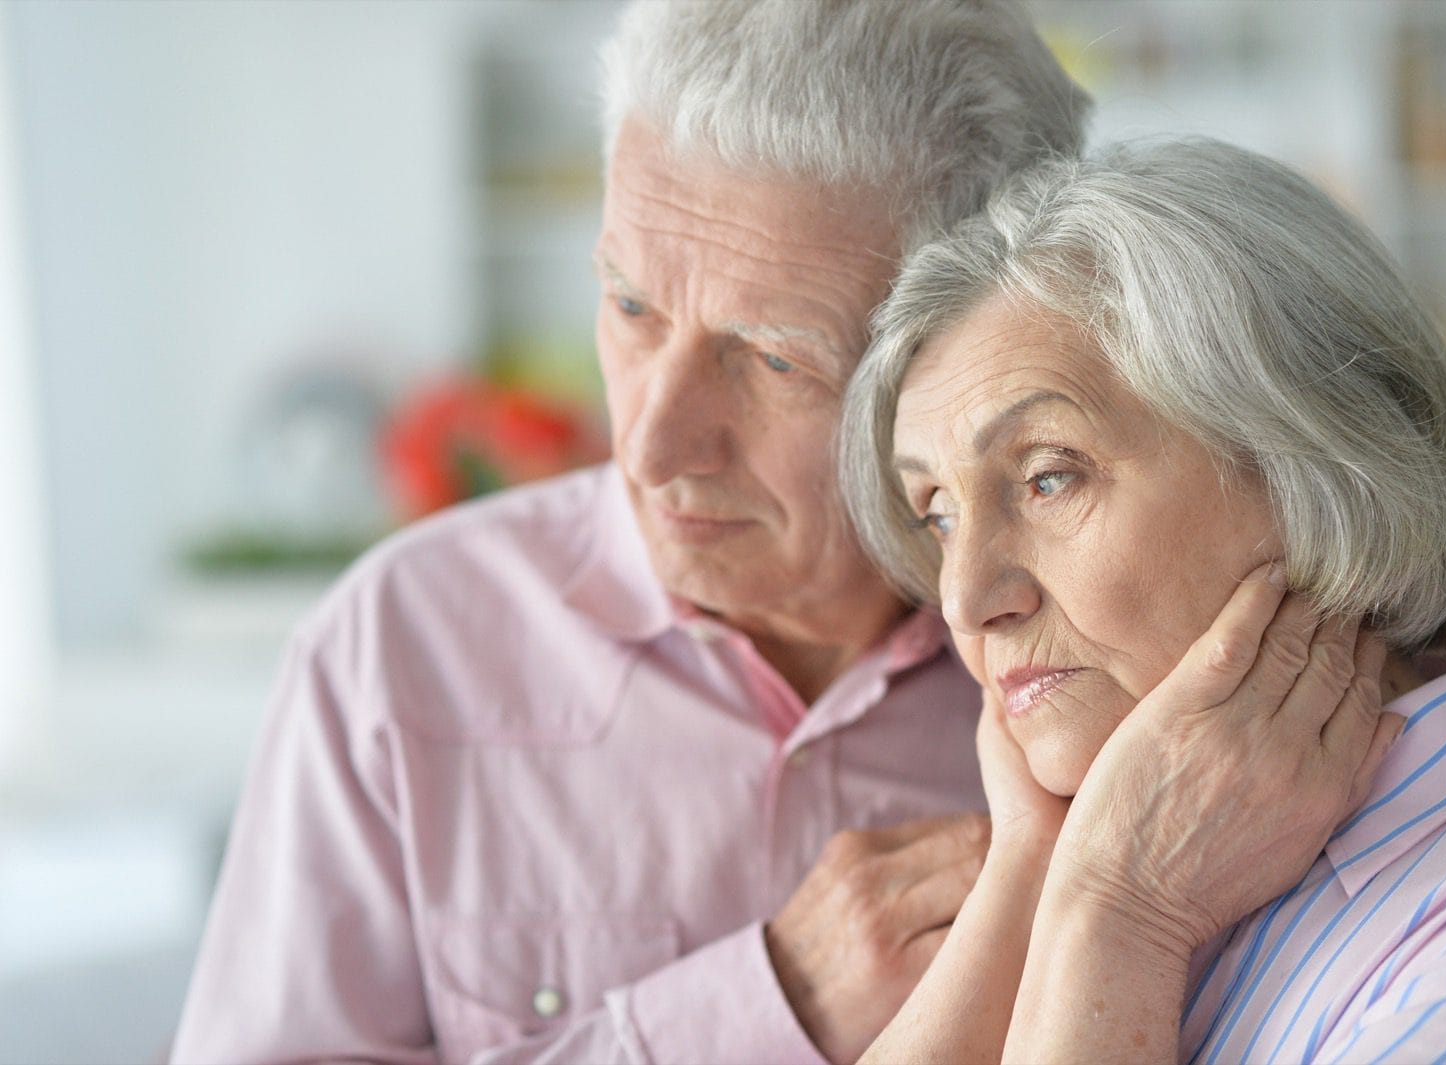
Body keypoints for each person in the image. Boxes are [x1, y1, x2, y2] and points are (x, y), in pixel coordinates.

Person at [172, 2, 1099, 1062]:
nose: (653, 446)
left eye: (772, 359)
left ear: (974, 343)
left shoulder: (1095, 654)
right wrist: (766, 1010)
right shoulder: (394, 651)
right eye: (629, 306)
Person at [839, 136, 1446, 1063]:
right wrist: (1037, 861)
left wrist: (1122, 908)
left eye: (1048, 478)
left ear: (1309, 462)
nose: (963, 600)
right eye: (939, 513)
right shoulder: (1147, 843)